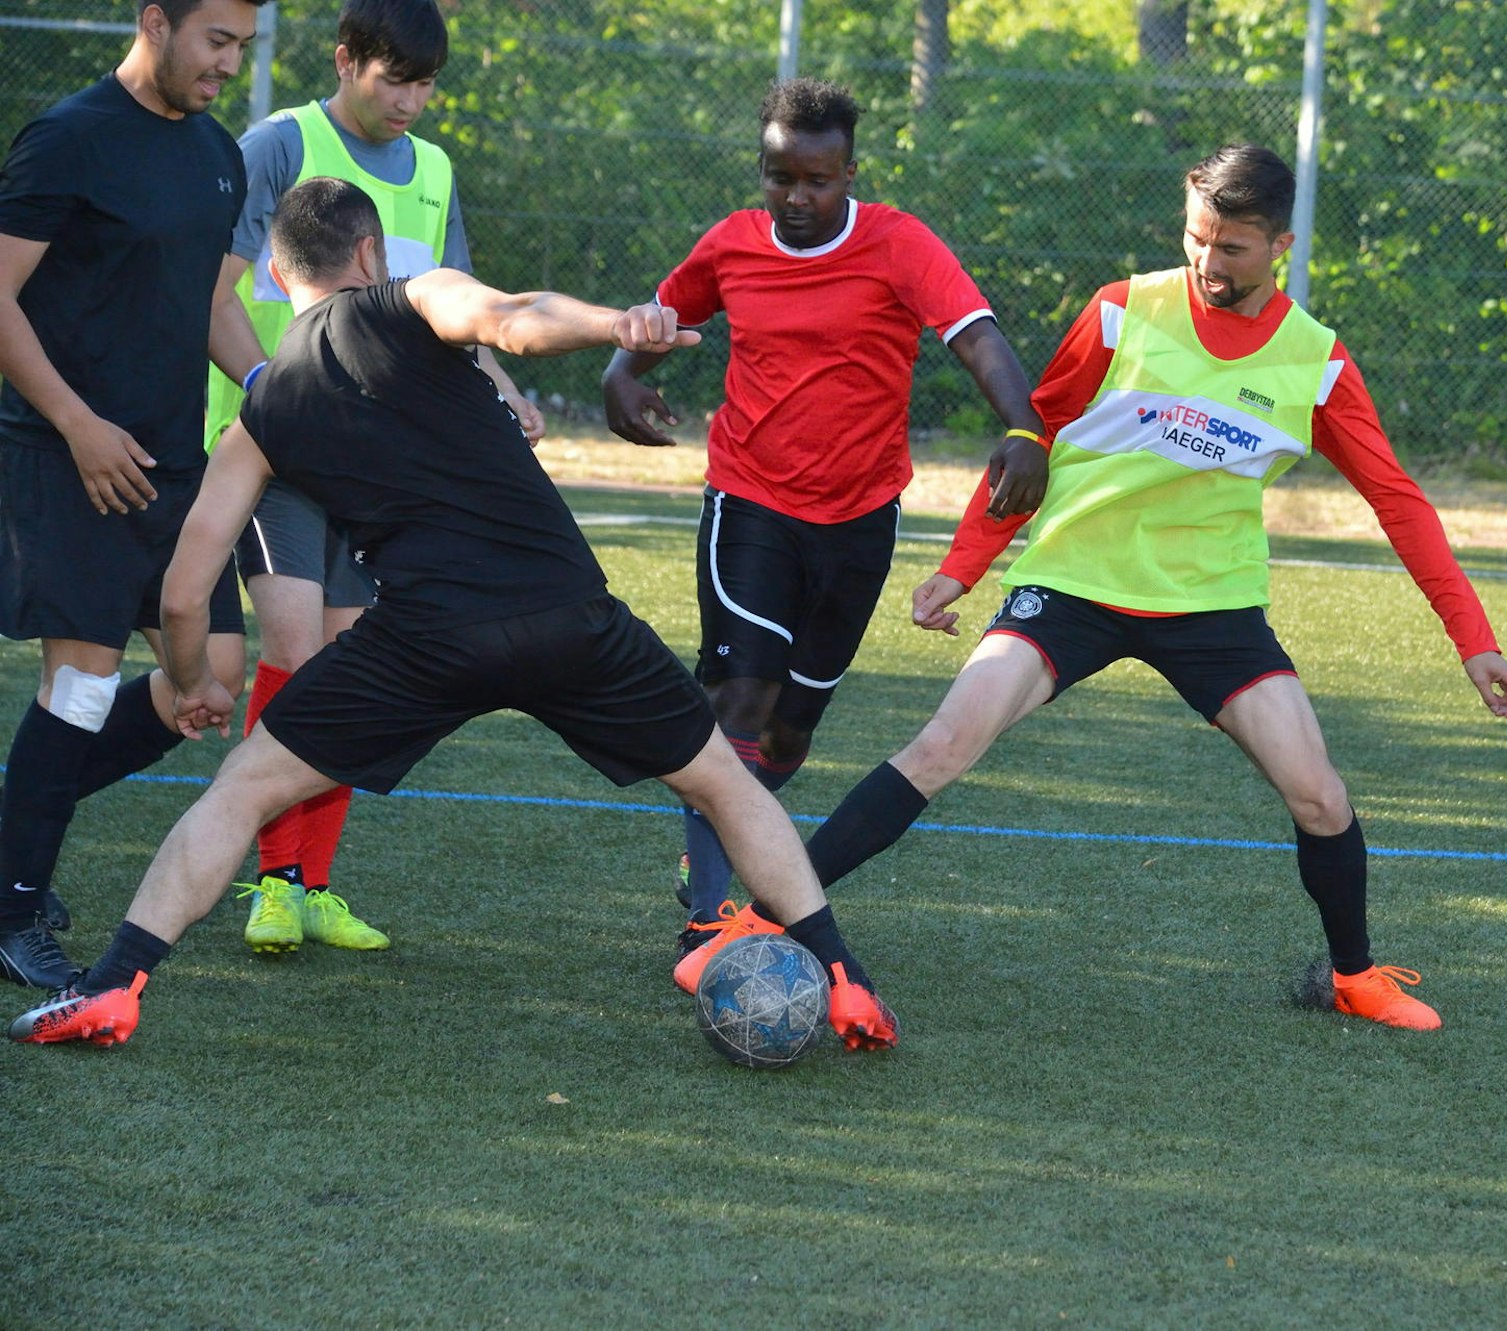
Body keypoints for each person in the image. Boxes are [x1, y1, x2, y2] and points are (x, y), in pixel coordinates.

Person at [7, 178, 897, 1052]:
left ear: (279, 280)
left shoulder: (264, 406)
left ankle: (112, 987)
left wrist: (195, 680)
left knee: (242, 789)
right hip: (567, 614)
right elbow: (512, 315)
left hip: (426, 639)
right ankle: (845, 976)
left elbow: (182, 587)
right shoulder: (410, 298)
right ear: (370, 253)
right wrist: (613, 324)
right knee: (723, 784)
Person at [797, 144, 1507, 1032]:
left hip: (1213, 608)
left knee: (1321, 795)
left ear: (1282, 247)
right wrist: (962, 566)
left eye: (1233, 250)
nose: (1208, 266)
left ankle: (1353, 975)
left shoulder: (1315, 361)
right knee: (941, 746)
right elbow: (1035, 437)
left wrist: (1474, 637)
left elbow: (1400, 503)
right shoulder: (1120, 311)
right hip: (1073, 582)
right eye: (1197, 240)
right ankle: (769, 912)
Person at [599, 77, 1047, 989]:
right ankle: (712, 910)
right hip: (751, 502)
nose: (797, 199)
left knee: (793, 733)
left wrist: (1022, 425)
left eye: (816, 180)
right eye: (779, 179)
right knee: (743, 704)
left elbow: (977, 334)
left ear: (850, 171)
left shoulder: (900, 243)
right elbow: (661, 314)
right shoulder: (732, 244)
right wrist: (619, 378)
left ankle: (731, 834)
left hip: (858, 518)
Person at [206, 0, 546, 957]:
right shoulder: (279, 145)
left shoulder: (434, 170)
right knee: (295, 650)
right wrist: (281, 393)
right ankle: (271, 879)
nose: (412, 100)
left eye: (426, 82)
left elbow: (454, 312)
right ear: (346, 60)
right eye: (394, 77)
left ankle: (315, 884)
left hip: (375, 467)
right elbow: (213, 294)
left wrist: (505, 388)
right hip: (271, 453)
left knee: (355, 668)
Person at [0, 0, 266, 990]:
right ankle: (14, 904)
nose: (229, 64)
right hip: (68, 458)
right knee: (78, 683)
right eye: (215, 40)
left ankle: (11, 841)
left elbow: (208, 300)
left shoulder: (218, 153)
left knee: (206, 684)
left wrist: (276, 390)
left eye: (242, 45)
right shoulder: (69, 139)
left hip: (171, 465)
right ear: (155, 21)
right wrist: (75, 420)